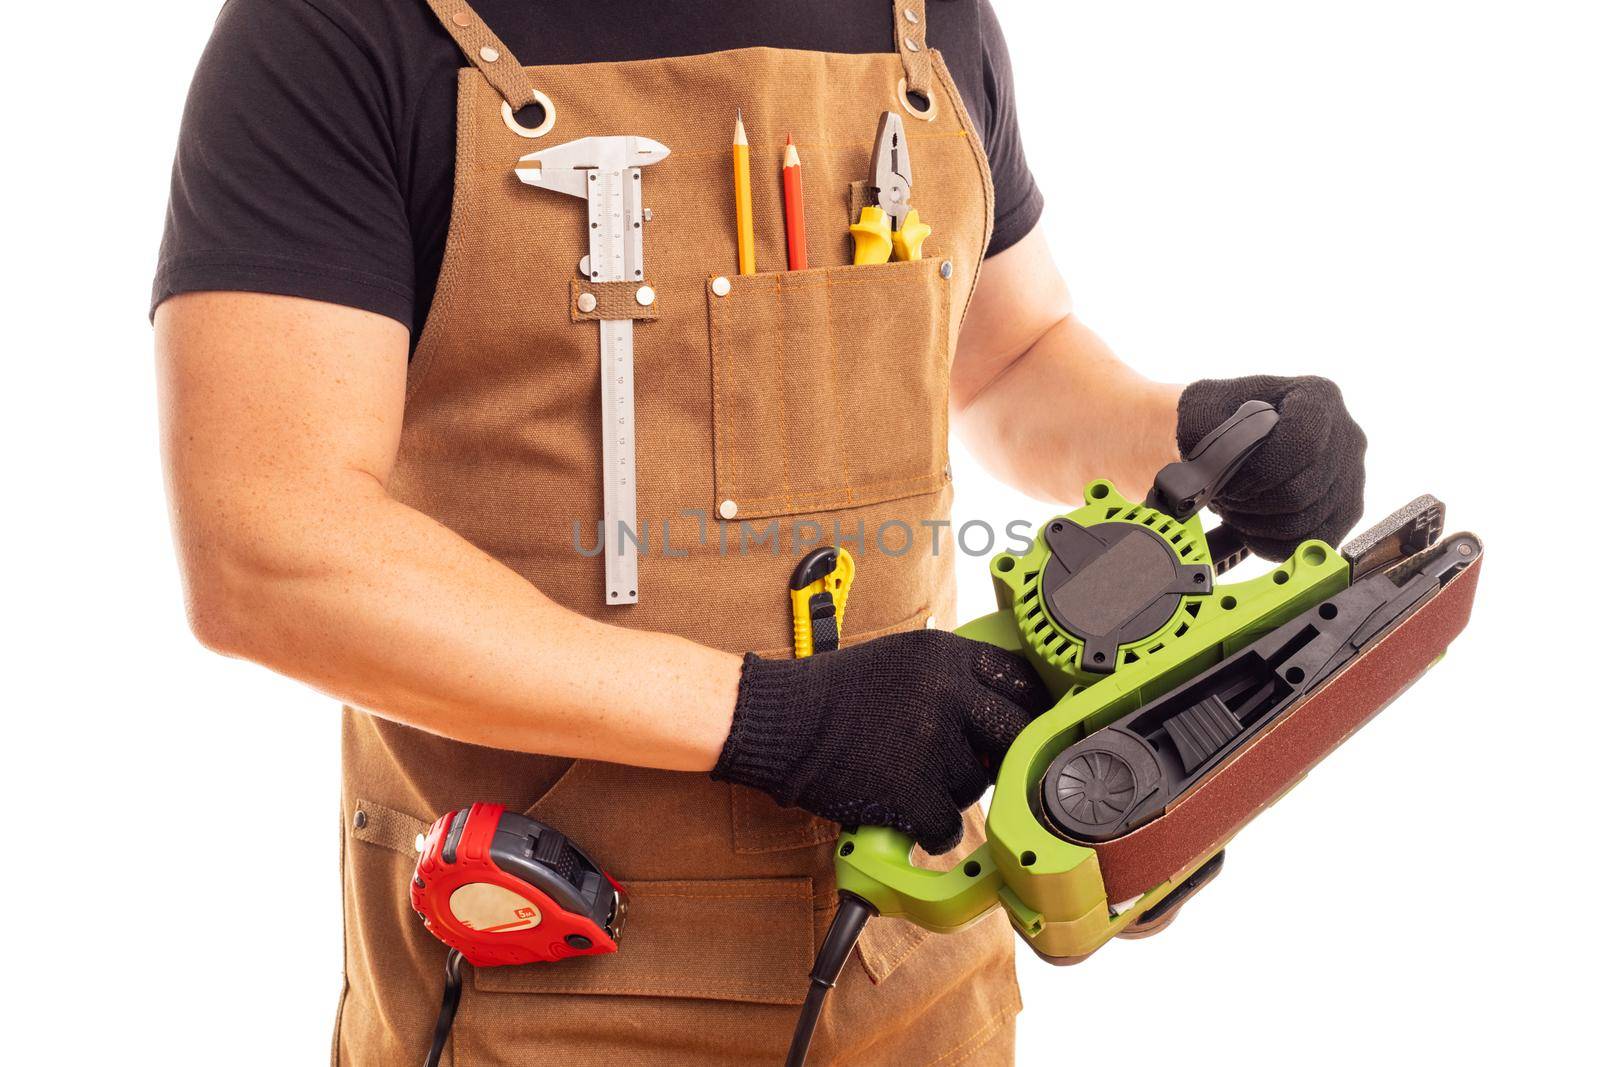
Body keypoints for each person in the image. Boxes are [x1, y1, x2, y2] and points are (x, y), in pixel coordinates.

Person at [152, 1, 1366, 1063]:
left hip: (923, 974)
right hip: (543, 984)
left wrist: (1188, 430)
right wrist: (773, 717)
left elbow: (1010, 361)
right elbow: (271, 548)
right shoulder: (336, 31)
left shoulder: (929, 21)